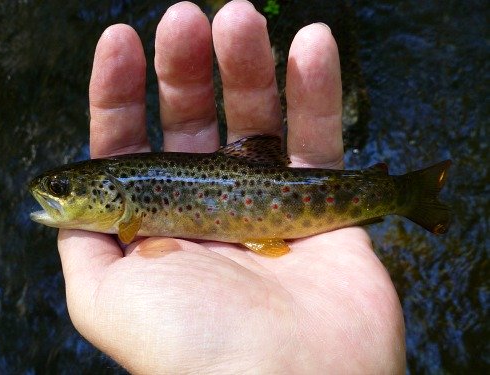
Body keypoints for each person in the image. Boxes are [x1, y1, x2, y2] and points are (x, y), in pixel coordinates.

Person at [57, 1, 406, 373]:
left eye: (62, 189)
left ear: (107, 193)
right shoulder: (123, 205)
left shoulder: (126, 217)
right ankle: (398, 194)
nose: (54, 195)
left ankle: (401, 194)